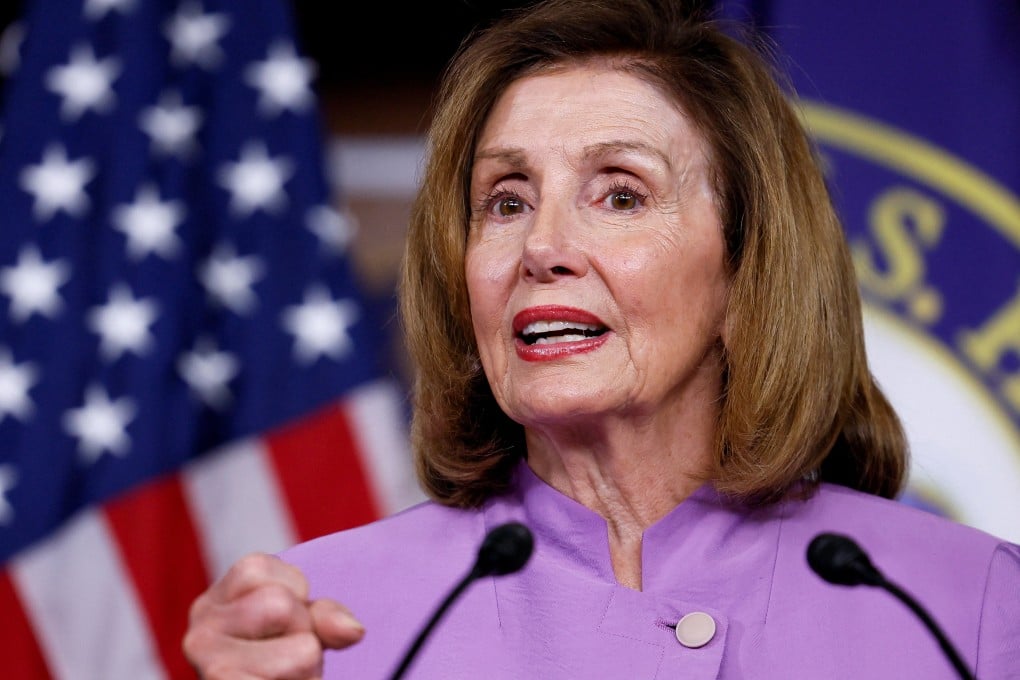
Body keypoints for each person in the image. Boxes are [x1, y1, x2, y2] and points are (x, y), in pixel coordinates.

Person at [182, 0, 1020, 677]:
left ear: (746, 271)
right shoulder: (329, 622)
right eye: (505, 202)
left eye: (620, 195)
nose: (541, 247)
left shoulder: (965, 605)